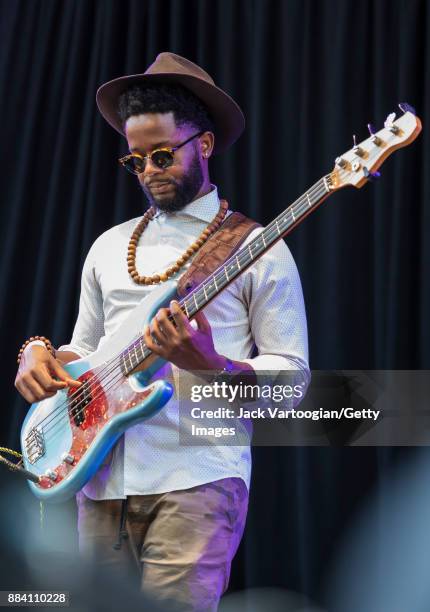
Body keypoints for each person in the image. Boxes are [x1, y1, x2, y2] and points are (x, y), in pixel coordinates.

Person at [14, 52, 309, 611]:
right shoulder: (108, 244)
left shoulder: (257, 248)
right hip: (97, 481)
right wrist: (38, 352)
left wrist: (210, 366)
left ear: (204, 144)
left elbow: (292, 384)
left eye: (163, 154)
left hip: (195, 477)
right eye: (137, 160)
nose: (150, 170)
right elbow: (87, 350)